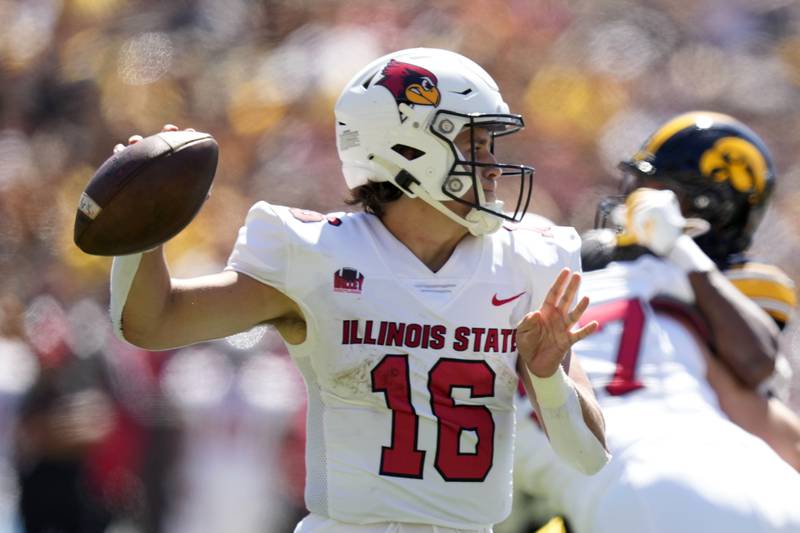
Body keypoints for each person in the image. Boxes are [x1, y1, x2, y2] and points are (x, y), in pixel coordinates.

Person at [106, 48, 610, 532]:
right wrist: (142, 229)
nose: (493, 166)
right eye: (472, 145)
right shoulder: (320, 254)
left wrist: (546, 379)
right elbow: (152, 322)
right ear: (407, 148)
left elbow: (588, 457)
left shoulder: (527, 261)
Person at [507, 111, 800, 533]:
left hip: (644, 485)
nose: (632, 199)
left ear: (707, 210)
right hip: (756, 479)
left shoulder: (725, 287)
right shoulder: (628, 271)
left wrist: (681, 250)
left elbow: (757, 367)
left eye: (652, 189)